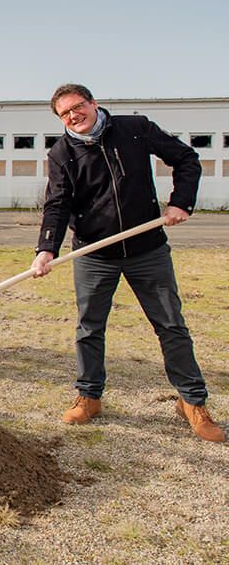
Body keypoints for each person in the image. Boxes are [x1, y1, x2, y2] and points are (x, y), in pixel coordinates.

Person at [32, 83, 223, 443]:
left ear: (93, 103)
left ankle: (192, 402)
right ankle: (89, 396)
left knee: (170, 325)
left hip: (147, 249)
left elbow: (186, 158)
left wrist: (181, 201)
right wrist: (46, 249)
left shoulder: (134, 129)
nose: (74, 116)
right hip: (94, 253)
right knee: (89, 327)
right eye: (65, 113)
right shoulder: (61, 152)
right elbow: (57, 204)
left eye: (78, 107)